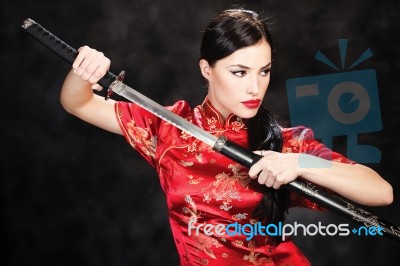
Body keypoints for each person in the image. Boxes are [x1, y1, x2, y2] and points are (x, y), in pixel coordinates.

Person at [60, 8, 393, 266]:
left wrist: (300, 163)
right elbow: (78, 102)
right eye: (239, 72)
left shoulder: (284, 143)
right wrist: (83, 71)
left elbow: (381, 192)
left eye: (263, 71)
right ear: (207, 69)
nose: (255, 87)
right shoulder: (168, 126)